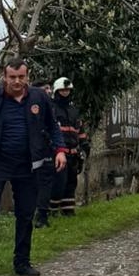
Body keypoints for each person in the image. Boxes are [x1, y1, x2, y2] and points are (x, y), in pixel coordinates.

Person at [0, 59, 66, 276]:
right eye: (12, 77)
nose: (17, 82)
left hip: (29, 165)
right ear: (4, 77)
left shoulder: (39, 98)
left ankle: (22, 262)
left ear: (27, 77)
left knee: (26, 214)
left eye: (21, 77)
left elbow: (52, 126)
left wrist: (60, 150)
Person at [50, 76, 84, 216]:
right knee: (58, 183)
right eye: (62, 90)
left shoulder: (74, 111)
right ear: (57, 91)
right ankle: (51, 212)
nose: (65, 93)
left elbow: (81, 132)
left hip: (73, 153)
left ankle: (68, 211)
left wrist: (83, 149)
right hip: (58, 153)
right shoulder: (52, 109)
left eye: (67, 90)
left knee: (71, 183)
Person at [33, 78, 56, 229]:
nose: (48, 91)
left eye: (49, 88)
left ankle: (42, 215)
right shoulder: (31, 106)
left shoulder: (52, 107)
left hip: (48, 150)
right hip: (33, 151)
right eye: (44, 88)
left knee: (46, 183)